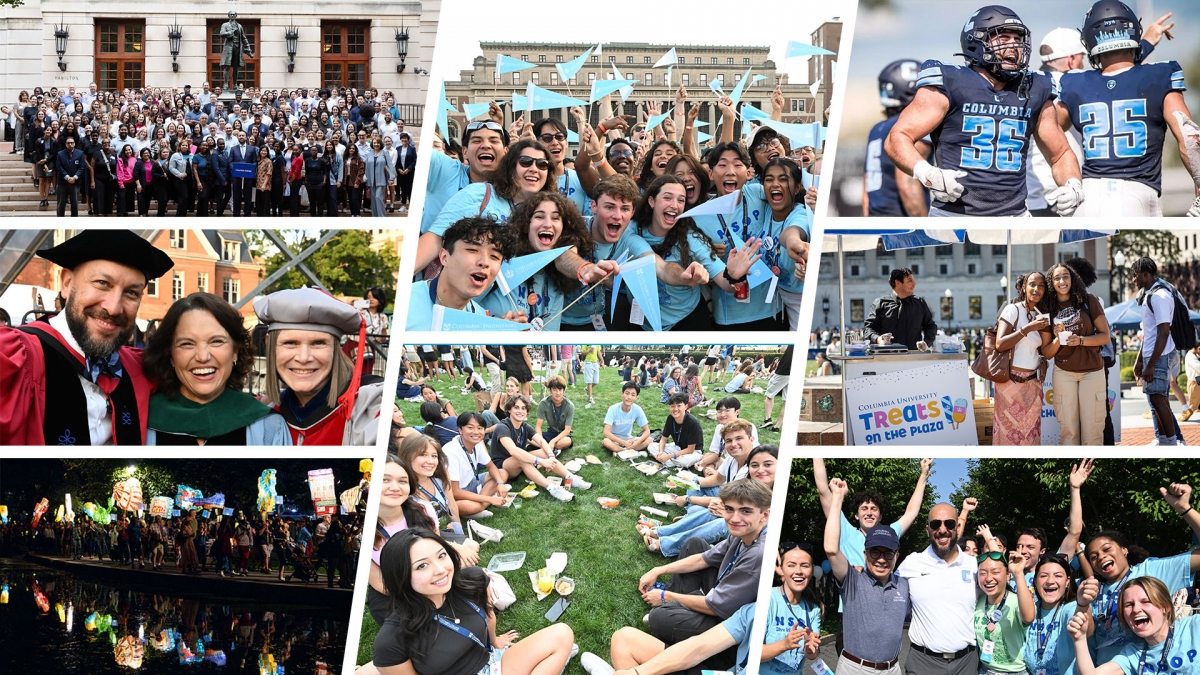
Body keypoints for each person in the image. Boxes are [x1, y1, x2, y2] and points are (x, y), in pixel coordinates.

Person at [884, 5, 1084, 217]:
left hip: (1014, 216)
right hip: (954, 215)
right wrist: (928, 173)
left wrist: (1073, 185)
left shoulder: (1035, 88)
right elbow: (898, 137)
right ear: (977, 42)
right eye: (1003, 38)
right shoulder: (950, 82)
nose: (1013, 46)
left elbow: (1060, 153)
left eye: (1017, 39)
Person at [1, 230, 174, 444]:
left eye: (131, 293)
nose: (113, 308)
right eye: (102, 283)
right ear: (66, 283)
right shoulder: (15, 359)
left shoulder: (139, 369)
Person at [361, 528, 575, 675]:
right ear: (401, 575)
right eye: (422, 566)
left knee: (562, 634)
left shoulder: (471, 580)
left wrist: (494, 641)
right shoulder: (392, 639)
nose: (440, 569)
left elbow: (488, 613)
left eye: (441, 555)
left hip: (492, 662)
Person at [1058, 1, 1195, 217]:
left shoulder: (1074, 83)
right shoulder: (1159, 76)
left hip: (1086, 198)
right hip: (1137, 195)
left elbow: (1051, 130)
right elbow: (1190, 139)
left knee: (1086, 253)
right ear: (1133, 32)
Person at [638, 479, 771, 651]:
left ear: (764, 515)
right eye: (729, 509)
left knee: (659, 618)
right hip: (723, 596)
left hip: (730, 622)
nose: (735, 518)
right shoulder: (743, 532)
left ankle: (671, 613)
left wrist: (665, 596)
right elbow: (703, 558)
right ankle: (676, 608)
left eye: (745, 511)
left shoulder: (759, 554)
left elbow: (716, 607)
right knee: (694, 544)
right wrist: (658, 570)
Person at [142, 293, 290, 445]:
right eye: (187, 344)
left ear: (235, 352)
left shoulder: (267, 426)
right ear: (170, 355)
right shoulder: (141, 420)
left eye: (217, 341)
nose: (203, 356)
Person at [1083, 481, 1200, 663]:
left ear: (1124, 550)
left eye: (1107, 549)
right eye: (1093, 556)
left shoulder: (1152, 570)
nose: (1100, 557)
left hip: (1153, 666)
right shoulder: (1093, 591)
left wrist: (1185, 509)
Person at [254, 287, 385, 445]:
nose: (303, 358)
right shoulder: (263, 413)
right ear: (270, 344)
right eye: (290, 343)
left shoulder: (372, 405)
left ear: (335, 349)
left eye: (318, 343)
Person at [825, 476, 911, 675]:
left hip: (892, 669)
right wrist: (837, 497)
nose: (881, 559)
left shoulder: (904, 585)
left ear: (896, 556)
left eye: (887, 553)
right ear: (865, 554)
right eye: (875, 552)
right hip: (855, 668)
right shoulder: (852, 580)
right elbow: (830, 549)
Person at [898, 502, 979, 675]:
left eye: (949, 523)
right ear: (928, 529)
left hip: (966, 663)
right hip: (923, 663)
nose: (942, 530)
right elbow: (883, 586)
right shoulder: (912, 563)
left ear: (957, 527)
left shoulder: (975, 565)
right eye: (936, 524)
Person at [1067, 576, 1200, 675]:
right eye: (1129, 605)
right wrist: (1079, 639)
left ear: (1165, 607)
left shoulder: (1193, 627)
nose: (1136, 609)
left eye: (1146, 601)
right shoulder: (1133, 653)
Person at [405, 217, 521, 330]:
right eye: (473, 250)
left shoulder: (482, 324)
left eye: (494, 256)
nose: (484, 262)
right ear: (444, 257)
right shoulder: (405, 301)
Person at [1040, 262, 1111, 446]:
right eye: (1057, 278)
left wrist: (1081, 340)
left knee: (1093, 430)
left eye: (1065, 276)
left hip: (1092, 372)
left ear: (1073, 279)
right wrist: (1056, 337)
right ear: (1051, 283)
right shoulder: (1048, 309)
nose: (1062, 281)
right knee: (1068, 431)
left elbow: (1105, 336)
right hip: (1064, 372)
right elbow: (1047, 353)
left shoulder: (1089, 300)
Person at [489, 395, 590, 502]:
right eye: (516, 407)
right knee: (522, 458)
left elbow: (541, 441)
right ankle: (553, 488)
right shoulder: (503, 426)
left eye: (523, 408)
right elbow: (513, 451)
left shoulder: (524, 426)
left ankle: (571, 477)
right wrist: (541, 462)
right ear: (509, 409)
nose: (520, 411)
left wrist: (550, 456)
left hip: (517, 462)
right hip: (502, 467)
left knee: (545, 452)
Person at [866, 59, 930, 216]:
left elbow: (866, 190)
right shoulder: (914, 125)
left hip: (876, 223)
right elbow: (907, 184)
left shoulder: (877, 129)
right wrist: (925, 232)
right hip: (901, 226)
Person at [994, 272, 1051, 445]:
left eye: (1041, 286)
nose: (1036, 289)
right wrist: (1027, 328)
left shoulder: (1042, 315)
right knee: (1008, 436)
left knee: (1030, 436)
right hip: (1009, 382)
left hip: (1033, 385)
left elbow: (1044, 350)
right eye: (1032, 284)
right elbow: (1000, 344)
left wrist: (1043, 360)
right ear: (1024, 287)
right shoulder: (1013, 310)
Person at [1024, 555, 1098, 675]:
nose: (1050, 581)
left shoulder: (1071, 607)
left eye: (1058, 576)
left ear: (1067, 582)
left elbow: (1085, 630)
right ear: (1035, 582)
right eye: (1043, 576)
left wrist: (1083, 604)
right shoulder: (1030, 610)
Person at [974, 546, 1036, 674]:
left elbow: (1028, 617)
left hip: (1014, 672)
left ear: (1008, 575)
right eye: (983, 573)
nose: (988, 578)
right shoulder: (978, 600)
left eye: (995, 572)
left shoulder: (1015, 601)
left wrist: (1018, 573)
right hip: (984, 670)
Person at [442, 412, 509, 520]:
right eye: (470, 427)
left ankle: (479, 506)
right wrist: (490, 500)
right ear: (460, 430)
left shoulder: (477, 444)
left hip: (472, 482)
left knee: (502, 473)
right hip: (454, 493)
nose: (476, 432)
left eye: (480, 428)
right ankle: (480, 506)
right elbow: (455, 491)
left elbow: (491, 466)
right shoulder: (450, 451)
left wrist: (500, 483)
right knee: (469, 506)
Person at [864, 268, 937, 350]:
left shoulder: (920, 303)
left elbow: (931, 326)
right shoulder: (880, 304)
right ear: (898, 282)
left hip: (914, 357)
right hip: (887, 357)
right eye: (910, 281)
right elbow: (868, 329)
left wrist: (926, 343)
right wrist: (878, 339)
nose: (914, 284)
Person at [653, 393, 704, 468]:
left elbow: (690, 449)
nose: (675, 409)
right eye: (672, 406)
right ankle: (667, 460)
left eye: (679, 406)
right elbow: (663, 439)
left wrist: (669, 456)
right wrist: (661, 452)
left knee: (684, 461)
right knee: (651, 446)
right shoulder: (670, 418)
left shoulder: (693, 422)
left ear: (686, 406)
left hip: (693, 452)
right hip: (677, 447)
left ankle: (668, 461)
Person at [601, 382, 652, 454]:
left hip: (628, 438)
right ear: (622, 394)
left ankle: (619, 450)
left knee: (649, 440)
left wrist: (637, 442)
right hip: (614, 439)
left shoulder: (637, 409)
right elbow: (606, 432)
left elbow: (647, 431)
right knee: (606, 441)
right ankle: (625, 450)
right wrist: (624, 443)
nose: (629, 397)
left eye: (633, 395)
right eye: (627, 393)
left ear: (636, 397)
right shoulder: (613, 409)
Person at [535, 376, 575, 453]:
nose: (557, 393)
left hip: (563, 435)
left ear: (564, 390)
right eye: (554, 390)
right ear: (550, 390)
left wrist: (553, 441)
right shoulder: (543, 403)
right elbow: (538, 426)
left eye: (560, 389)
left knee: (567, 441)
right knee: (528, 436)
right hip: (550, 432)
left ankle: (546, 447)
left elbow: (567, 430)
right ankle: (551, 448)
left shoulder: (570, 406)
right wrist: (540, 441)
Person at [761, 344, 792, 432]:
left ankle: (768, 419)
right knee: (786, 401)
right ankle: (777, 427)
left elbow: (783, 349)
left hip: (784, 370)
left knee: (769, 395)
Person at [55, 135, 86, 217]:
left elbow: (82, 167)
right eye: (68, 143)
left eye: (71, 143)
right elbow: (59, 167)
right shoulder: (60, 154)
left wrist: (75, 177)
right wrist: (67, 177)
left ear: (74, 144)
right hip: (63, 181)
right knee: (61, 203)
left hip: (75, 181)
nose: (70, 144)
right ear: (65, 144)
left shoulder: (80, 153)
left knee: (74, 203)